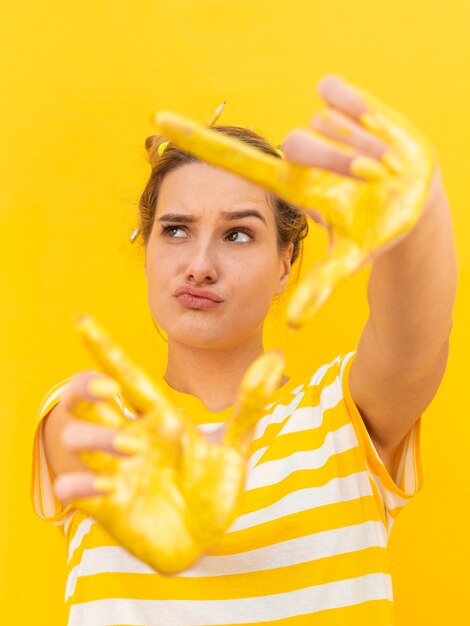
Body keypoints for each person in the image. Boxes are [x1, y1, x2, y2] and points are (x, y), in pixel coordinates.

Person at [31, 75, 457, 625]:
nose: (200, 263)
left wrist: (415, 226)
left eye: (237, 234)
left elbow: (414, 339)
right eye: (176, 230)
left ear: (285, 265)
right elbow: (80, 440)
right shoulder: (90, 413)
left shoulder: (343, 419)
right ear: (148, 252)